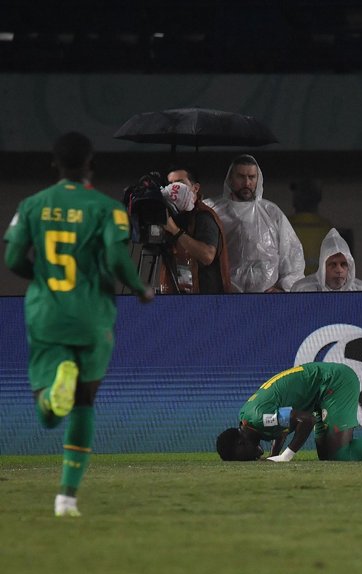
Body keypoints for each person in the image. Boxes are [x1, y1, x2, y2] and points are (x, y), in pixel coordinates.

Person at [3, 131, 155, 517]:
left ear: (55, 164)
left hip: (47, 312)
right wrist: (140, 288)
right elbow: (118, 258)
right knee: (85, 402)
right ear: (91, 164)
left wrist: (40, 276)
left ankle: (54, 398)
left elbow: (13, 258)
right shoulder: (106, 209)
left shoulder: (32, 205)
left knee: (50, 414)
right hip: (91, 314)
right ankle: (66, 498)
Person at [216, 362, 362, 462]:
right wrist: (274, 453)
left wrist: (285, 456)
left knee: (340, 454)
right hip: (320, 393)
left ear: (241, 444)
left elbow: (305, 420)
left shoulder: (259, 419)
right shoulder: (248, 419)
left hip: (334, 383)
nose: (249, 461)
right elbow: (283, 425)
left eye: (241, 459)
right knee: (328, 455)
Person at [205, 154, 305, 293]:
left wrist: (283, 289)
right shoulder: (213, 211)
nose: (247, 183)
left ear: (258, 179)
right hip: (225, 298)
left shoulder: (271, 213)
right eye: (241, 176)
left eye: (251, 177)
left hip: (266, 301)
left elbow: (292, 256)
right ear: (230, 179)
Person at [162, 166, 232, 294]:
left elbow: (207, 255)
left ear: (195, 188)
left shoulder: (203, 216)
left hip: (205, 298)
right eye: (171, 184)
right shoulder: (175, 216)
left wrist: (175, 231)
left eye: (180, 183)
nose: (174, 189)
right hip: (180, 297)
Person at [291, 227, 362, 292]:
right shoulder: (302, 290)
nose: (339, 270)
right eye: (333, 265)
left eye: (343, 264)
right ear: (323, 267)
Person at [288, 178, 332, 276]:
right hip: (319, 288)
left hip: (290, 288)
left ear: (295, 199)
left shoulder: (284, 226)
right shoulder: (328, 229)